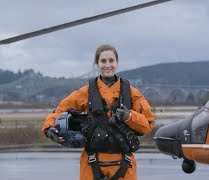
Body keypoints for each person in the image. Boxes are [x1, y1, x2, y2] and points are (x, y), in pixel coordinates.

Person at [41, 44, 155, 180]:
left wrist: (129, 116)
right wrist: (48, 129)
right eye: (103, 61)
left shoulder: (131, 93)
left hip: (124, 164)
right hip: (92, 163)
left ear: (117, 63)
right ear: (97, 63)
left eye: (111, 61)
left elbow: (147, 124)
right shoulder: (85, 92)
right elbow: (59, 111)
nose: (108, 65)